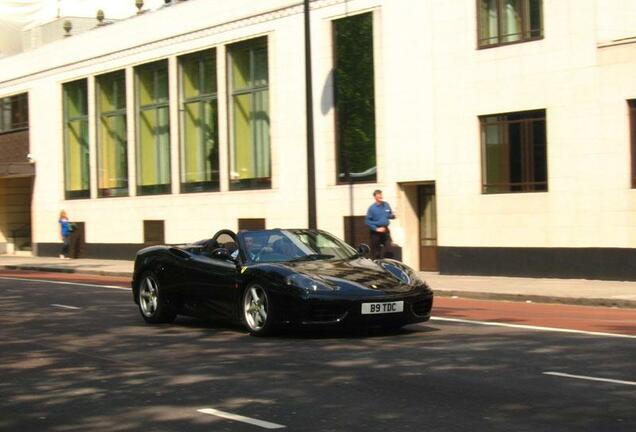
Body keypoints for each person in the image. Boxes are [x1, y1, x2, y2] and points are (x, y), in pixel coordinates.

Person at [365, 189, 396, 259]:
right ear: (375, 197)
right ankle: (376, 264)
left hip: (385, 230)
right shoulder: (372, 208)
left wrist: (392, 216)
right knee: (376, 252)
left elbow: (389, 215)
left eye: (381, 195)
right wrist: (376, 229)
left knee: (389, 250)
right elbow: (367, 221)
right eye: (378, 195)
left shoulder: (386, 205)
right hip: (376, 232)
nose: (380, 196)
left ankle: (389, 265)